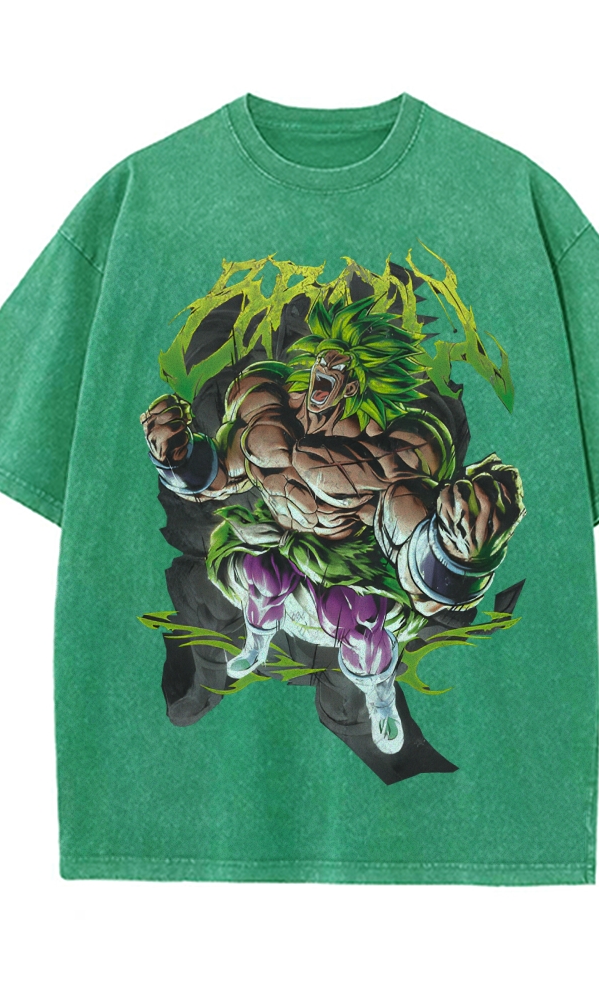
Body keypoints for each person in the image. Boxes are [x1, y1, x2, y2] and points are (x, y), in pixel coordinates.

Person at [141, 295, 524, 754]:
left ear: (357, 382)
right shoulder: (263, 405)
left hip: (347, 563)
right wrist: (176, 457)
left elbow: (413, 542)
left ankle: (380, 698)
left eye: (341, 365)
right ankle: (257, 640)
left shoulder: (393, 448)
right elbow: (218, 475)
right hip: (276, 537)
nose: (325, 366)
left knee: (359, 622)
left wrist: (461, 553)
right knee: (260, 576)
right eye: (324, 356)